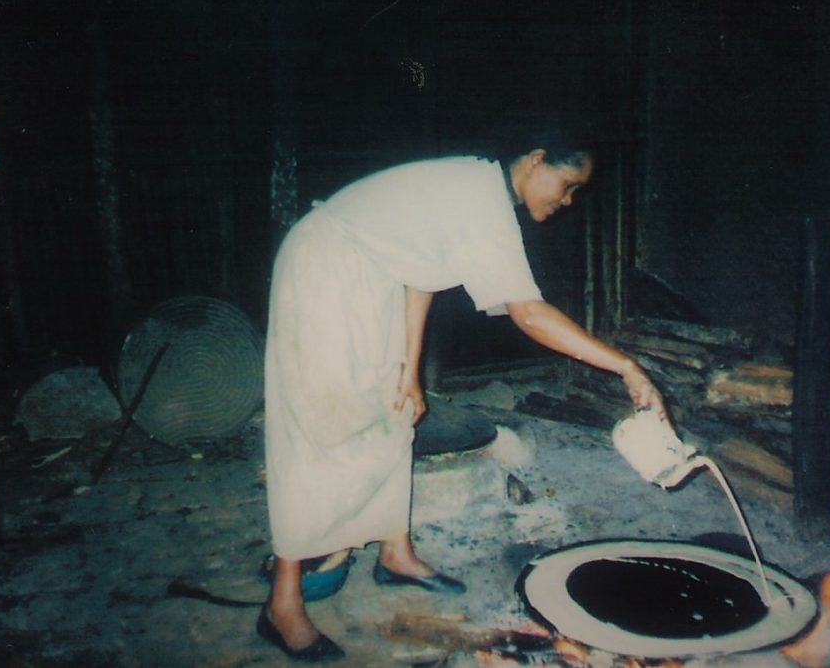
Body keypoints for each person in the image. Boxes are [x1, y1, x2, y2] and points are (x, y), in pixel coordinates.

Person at [259, 131, 667, 661]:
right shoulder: (481, 200)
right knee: (318, 428)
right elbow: (529, 313)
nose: (568, 201)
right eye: (567, 185)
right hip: (323, 269)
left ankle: (396, 554)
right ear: (537, 161)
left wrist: (408, 369)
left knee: (394, 409)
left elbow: (420, 272)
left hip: (372, 278)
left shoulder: (479, 190)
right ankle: (282, 604)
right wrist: (626, 366)